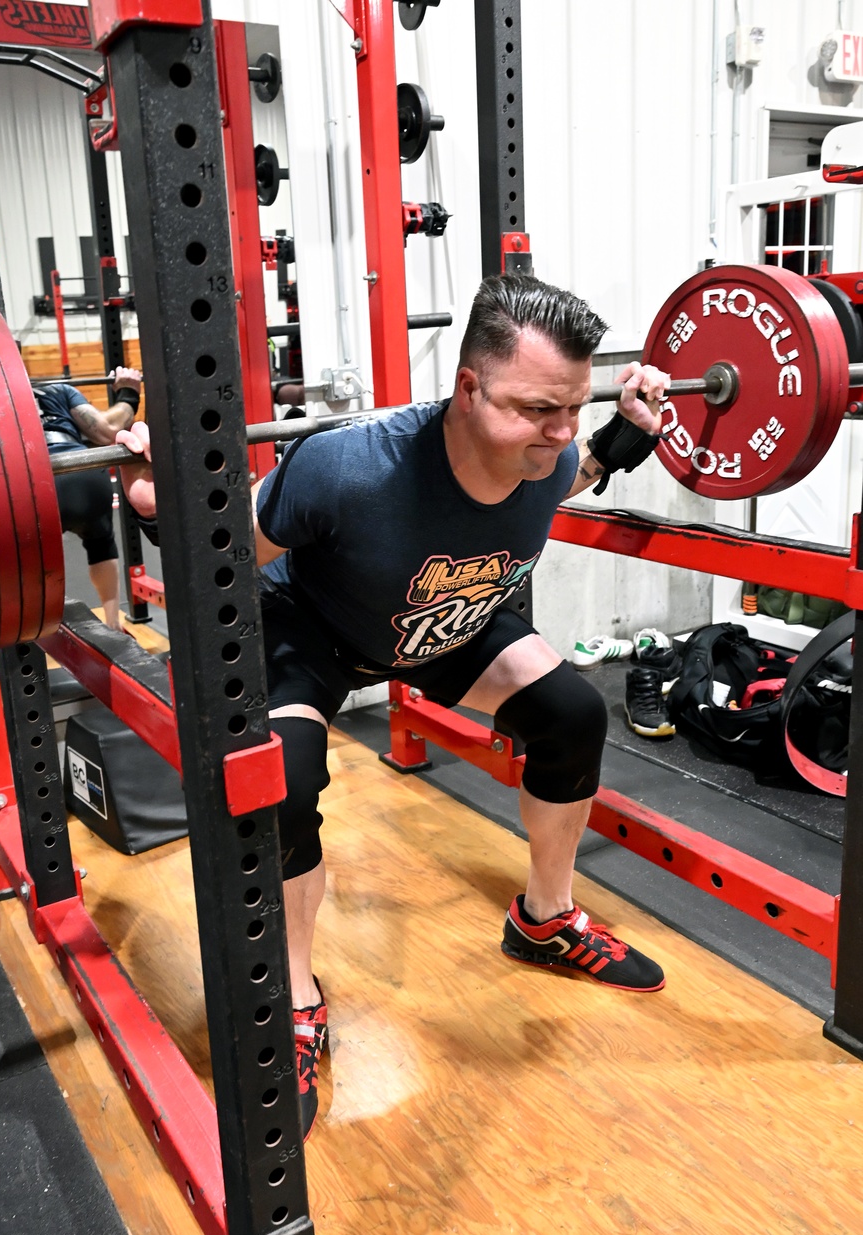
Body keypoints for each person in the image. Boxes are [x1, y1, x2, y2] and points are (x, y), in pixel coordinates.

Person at [116, 275, 671, 1139]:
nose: (557, 433)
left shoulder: (550, 451)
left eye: (572, 408)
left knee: (572, 715)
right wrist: (163, 509)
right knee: (283, 790)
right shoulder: (347, 468)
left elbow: (570, 473)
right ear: (467, 389)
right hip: (312, 629)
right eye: (535, 410)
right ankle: (295, 995)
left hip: (436, 629)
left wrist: (617, 437)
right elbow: (224, 562)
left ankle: (544, 918)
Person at [34, 366, 143, 629]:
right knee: (101, 543)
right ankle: (113, 624)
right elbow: (107, 431)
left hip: (36, 481)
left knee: (31, 556)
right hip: (83, 472)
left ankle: (41, 628)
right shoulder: (57, 389)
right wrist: (129, 393)